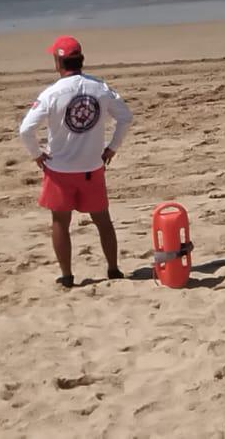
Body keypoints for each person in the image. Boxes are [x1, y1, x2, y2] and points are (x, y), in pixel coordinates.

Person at [16, 36, 133, 288]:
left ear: (58, 62)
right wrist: (112, 148)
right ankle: (113, 269)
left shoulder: (51, 93)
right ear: (81, 59)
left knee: (60, 222)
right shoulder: (100, 88)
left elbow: (26, 129)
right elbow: (125, 117)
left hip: (60, 170)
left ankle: (67, 276)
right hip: (92, 166)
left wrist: (37, 154)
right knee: (103, 221)